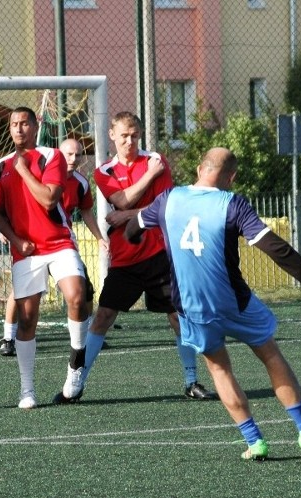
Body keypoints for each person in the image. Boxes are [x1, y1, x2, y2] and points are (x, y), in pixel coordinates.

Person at [125, 147, 301, 460]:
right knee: (270, 354)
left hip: (192, 307)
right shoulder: (231, 203)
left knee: (219, 369)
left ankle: (254, 441)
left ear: (198, 168)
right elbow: (275, 247)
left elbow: (132, 228)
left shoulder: (168, 199)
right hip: (234, 302)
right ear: (231, 177)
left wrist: (137, 236)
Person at [53, 111, 216, 404]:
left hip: (159, 253)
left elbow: (164, 205)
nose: (130, 141)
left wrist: (128, 214)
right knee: (102, 316)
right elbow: (122, 199)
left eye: (135, 135)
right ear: (112, 135)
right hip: (125, 259)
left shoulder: (156, 160)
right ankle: (76, 384)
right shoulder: (105, 171)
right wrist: (145, 186)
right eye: (124, 135)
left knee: (178, 316)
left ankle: (192, 380)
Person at [0, 108, 90, 410]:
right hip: (26, 251)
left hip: (58, 243)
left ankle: (76, 365)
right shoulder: (1, 165)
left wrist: (23, 171)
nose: (19, 129)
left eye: (24, 124)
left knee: (77, 296)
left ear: (36, 127)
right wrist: (17, 239)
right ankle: (27, 390)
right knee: (28, 318)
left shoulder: (52, 156)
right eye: (14, 125)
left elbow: (49, 198)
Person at [0, 137, 109, 357]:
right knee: (20, 294)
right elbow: (15, 202)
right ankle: (8, 337)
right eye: (69, 154)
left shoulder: (81, 183)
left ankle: (83, 338)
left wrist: (99, 237)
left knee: (82, 290)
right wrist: (7, 230)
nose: (74, 159)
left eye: (78, 155)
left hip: (61, 244)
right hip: (31, 243)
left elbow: (86, 212)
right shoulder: (36, 172)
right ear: (58, 154)